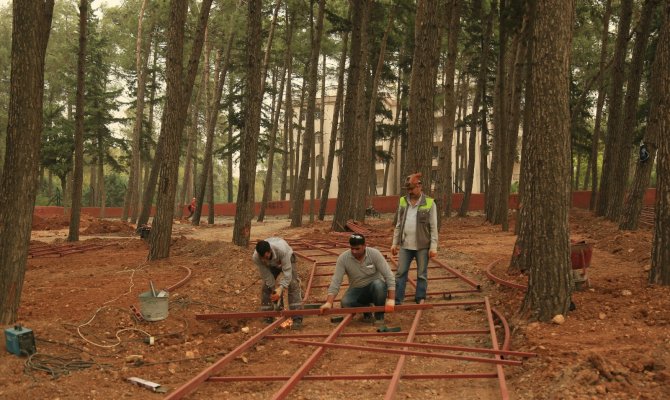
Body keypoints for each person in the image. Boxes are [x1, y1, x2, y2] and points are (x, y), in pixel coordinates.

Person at [320, 234, 396, 325]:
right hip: (357, 289)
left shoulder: (375, 254)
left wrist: (391, 299)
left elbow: (389, 275)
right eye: (352, 248)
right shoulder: (343, 258)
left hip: (375, 288)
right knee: (346, 303)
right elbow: (336, 281)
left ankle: (379, 316)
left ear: (364, 246)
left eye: (357, 249)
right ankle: (367, 310)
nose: (354, 251)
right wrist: (329, 302)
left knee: (379, 285)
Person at [391, 172, 438, 305]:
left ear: (419, 186)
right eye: (408, 189)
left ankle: (420, 297)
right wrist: (394, 243)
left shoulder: (429, 203)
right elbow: (399, 224)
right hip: (405, 245)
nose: (410, 192)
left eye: (412, 188)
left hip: (422, 246)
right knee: (400, 273)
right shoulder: (403, 201)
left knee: (421, 274)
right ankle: (398, 299)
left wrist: (433, 247)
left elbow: (434, 227)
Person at [253, 238, 303, 328]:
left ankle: (297, 317)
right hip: (272, 264)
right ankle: (267, 317)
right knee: (266, 287)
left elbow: (287, 274)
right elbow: (267, 276)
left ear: (269, 251)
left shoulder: (282, 250)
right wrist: (274, 291)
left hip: (287, 258)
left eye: (266, 257)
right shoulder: (256, 257)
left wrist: (280, 288)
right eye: (262, 258)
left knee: (292, 284)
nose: (264, 260)